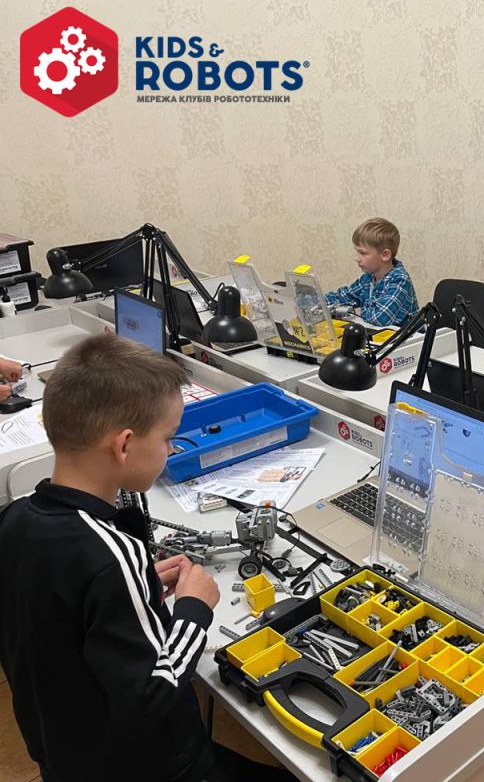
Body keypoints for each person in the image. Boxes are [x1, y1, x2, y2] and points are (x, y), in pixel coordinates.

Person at [0, 334, 295, 782]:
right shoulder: (112, 554)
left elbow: (62, 615)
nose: (171, 450)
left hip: (65, 753)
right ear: (123, 445)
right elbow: (153, 695)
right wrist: (194, 609)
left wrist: (134, 587)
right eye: (168, 438)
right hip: (150, 766)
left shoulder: (14, 519)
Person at [325, 217, 419, 327]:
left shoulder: (400, 280)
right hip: (381, 336)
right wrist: (316, 302)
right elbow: (343, 297)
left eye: (363, 253)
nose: (356, 258)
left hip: (405, 337)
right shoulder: (368, 278)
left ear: (385, 255)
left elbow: (380, 319)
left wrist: (352, 313)